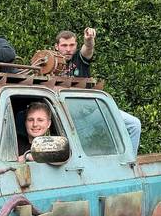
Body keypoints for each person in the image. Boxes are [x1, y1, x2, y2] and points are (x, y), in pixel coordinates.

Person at [55, 29, 142, 158]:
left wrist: (89, 40)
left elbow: (88, 49)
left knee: (134, 124)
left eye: (72, 45)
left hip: (90, 111)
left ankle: (130, 162)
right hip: (68, 118)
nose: (68, 49)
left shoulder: (79, 58)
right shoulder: (50, 62)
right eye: (64, 45)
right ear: (56, 47)